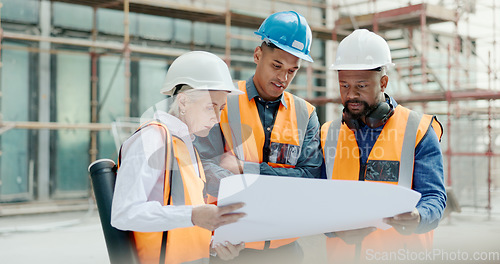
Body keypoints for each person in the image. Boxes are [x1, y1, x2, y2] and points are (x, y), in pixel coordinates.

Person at [194, 11, 324, 264]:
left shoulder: (305, 114)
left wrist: (245, 170)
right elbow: (202, 168)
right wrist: (281, 178)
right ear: (257, 55)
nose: (283, 78)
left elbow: (310, 177)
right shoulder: (222, 101)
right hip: (230, 246)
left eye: (292, 71)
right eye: (276, 66)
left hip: (286, 247)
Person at [320, 29, 447, 263]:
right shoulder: (328, 134)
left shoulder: (417, 130)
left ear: (383, 82)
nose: (351, 95)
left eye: (361, 86)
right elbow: (315, 202)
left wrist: (419, 217)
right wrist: (334, 229)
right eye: (344, 86)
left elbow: (435, 196)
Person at [111, 51, 248, 264]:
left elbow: (183, 221)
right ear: (183, 101)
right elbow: (124, 213)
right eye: (210, 107)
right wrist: (193, 216)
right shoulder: (152, 139)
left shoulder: (187, 146)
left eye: (221, 109)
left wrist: (213, 245)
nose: (217, 119)